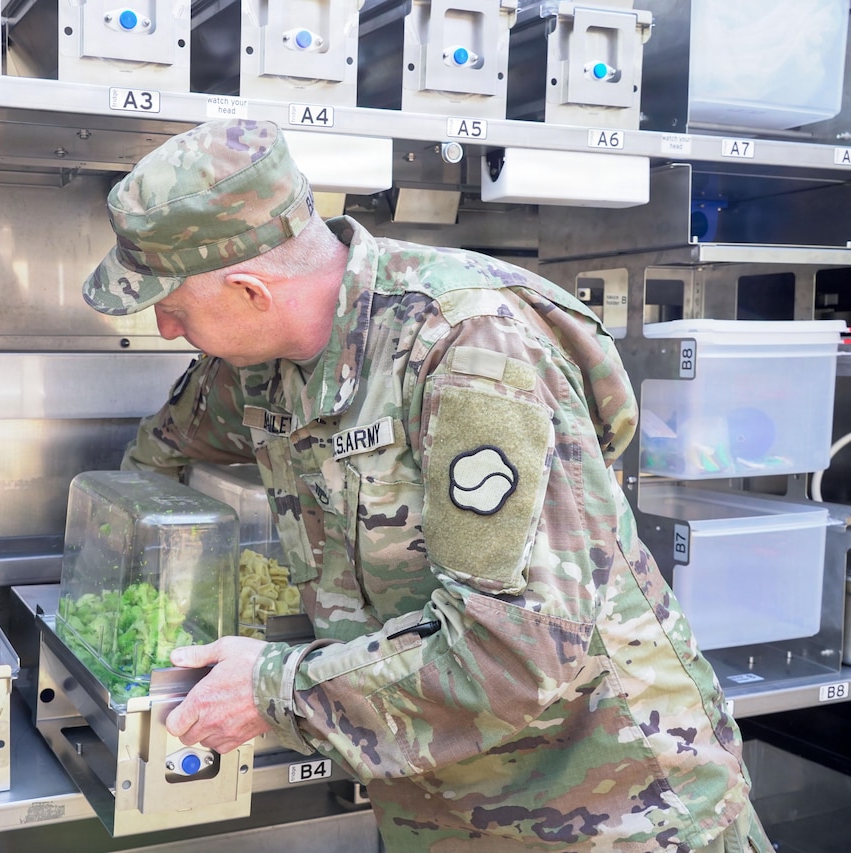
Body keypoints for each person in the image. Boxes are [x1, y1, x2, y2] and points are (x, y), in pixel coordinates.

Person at [81, 118, 772, 853]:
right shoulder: (265, 363)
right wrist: (138, 567)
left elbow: (515, 651)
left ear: (252, 291)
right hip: (444, 812)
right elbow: (166, 444)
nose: (162, 325)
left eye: (176, 307)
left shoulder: (469, 349)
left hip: (617, 814)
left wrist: (269, 689)